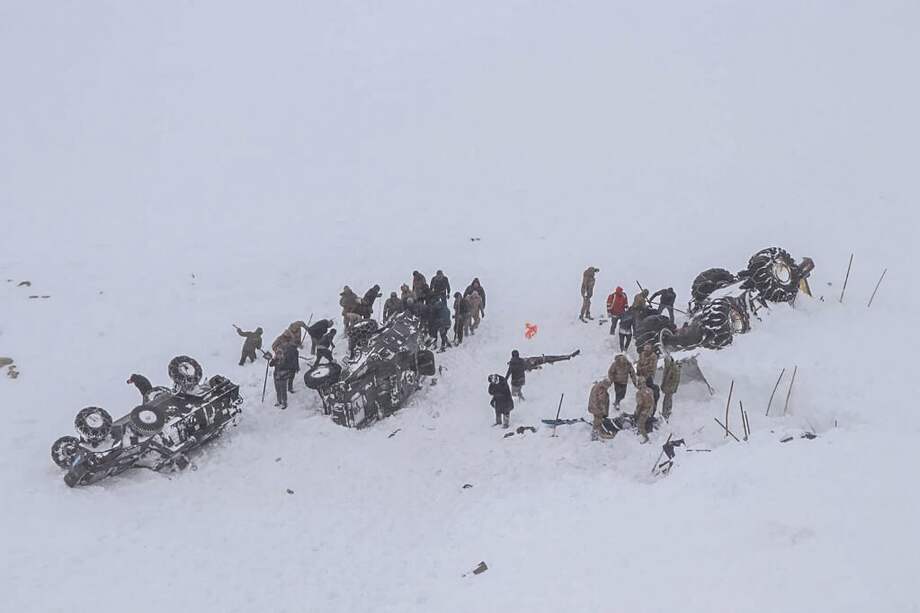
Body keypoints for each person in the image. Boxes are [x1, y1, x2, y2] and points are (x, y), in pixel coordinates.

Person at [636, 344, 660, 411]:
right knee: (641, 391)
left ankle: (648, 406)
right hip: (641, 375)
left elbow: (651, 367)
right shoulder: (642, 354)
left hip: (649, 376)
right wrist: (639, 369)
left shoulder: (653, 356)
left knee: (648, 390)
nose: (646, 352)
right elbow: (639, 363)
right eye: (645, 350)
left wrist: (642, 368)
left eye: (647, 350)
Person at [660, 354, 681, 420]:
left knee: (667, 399)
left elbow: (671, 379)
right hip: (669, 387)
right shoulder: (670, 368)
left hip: (670, 387)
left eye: (666, 361)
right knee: (668, 399)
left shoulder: (673, 369)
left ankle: (666, 413)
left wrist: (666, 386)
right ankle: (666, 412)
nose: (665, 363)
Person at [635, 377, 655, 443]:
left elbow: (640, 404)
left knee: (640, 424)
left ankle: (646, 438)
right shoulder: (650, 390)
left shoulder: (639, 393)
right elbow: (653, 401)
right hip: (650, 409)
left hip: (644, 411)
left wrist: (637, 412)